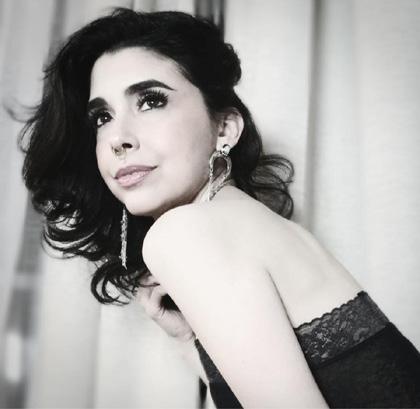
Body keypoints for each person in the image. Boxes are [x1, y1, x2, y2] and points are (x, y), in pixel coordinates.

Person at [19, 7, 420, 408]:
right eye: (102, 117)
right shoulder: (251, 224)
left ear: (224, 128)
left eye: (151, 101)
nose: (117, 139)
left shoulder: (185, 233)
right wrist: (188, 340)